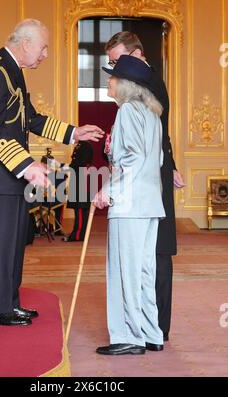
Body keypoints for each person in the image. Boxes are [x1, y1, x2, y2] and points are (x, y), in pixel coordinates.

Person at [0, 19, 104, 327]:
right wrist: (27, 165)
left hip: (9, 174)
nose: (44, 55)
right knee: (3, 243)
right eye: (42, 48)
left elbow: (31, 119)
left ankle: (9, 303)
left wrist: (73, 133)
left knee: (15, 242)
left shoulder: (12, 72)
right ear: (25, 43)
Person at [105, 32, 185, 341]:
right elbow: (157, 140)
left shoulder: (144, 92)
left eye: (118, 62)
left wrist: (108, 189)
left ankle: (143, 332)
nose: (113, 71)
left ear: (136, 55)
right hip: (151, 181)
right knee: (146, 261)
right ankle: (152, 331)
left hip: (141, 187)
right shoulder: (144, 99)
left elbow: (146, 148)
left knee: (149, 258)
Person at [94, 55, 165, 355]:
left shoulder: (127, 112)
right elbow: (156, 159)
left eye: (112, 77)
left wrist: (108, 190)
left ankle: (128, 336)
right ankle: (151, 332)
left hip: (129, 203)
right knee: (144, 271)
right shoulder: (152, 114)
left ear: (125, 84)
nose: (108, 81)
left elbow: (133, 159)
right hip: (150, 203)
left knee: (125, 271)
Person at [63, 141, 93, 242]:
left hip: (82, 179)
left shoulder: (86, 145)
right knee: (78, 209)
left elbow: (82, 163)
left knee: (80, 209)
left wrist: (68, 167)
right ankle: (76, 233)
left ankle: (78, 235)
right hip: (78, 177)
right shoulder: (81, 145)